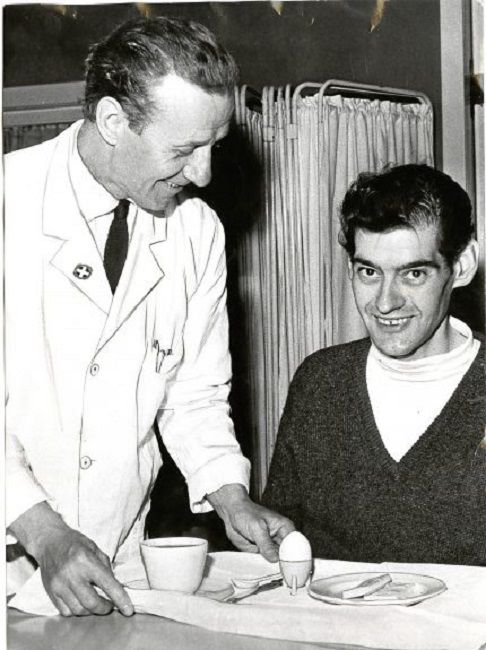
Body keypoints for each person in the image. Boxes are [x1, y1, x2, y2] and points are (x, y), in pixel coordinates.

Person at [5, 16, 293, 617]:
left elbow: (194, 394)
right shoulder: (11, 203)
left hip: (117, 558)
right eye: (183, 150)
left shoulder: (196, 230)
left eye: (214, 146)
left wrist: (230, 497)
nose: (203, 174)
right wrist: (46, 534)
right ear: (113, 121)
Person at [262, 164, 485, 566]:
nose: (385, 302)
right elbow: (281, 541)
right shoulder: (320, 382)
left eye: (413, 273)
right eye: (369, 272)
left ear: (462, 265)